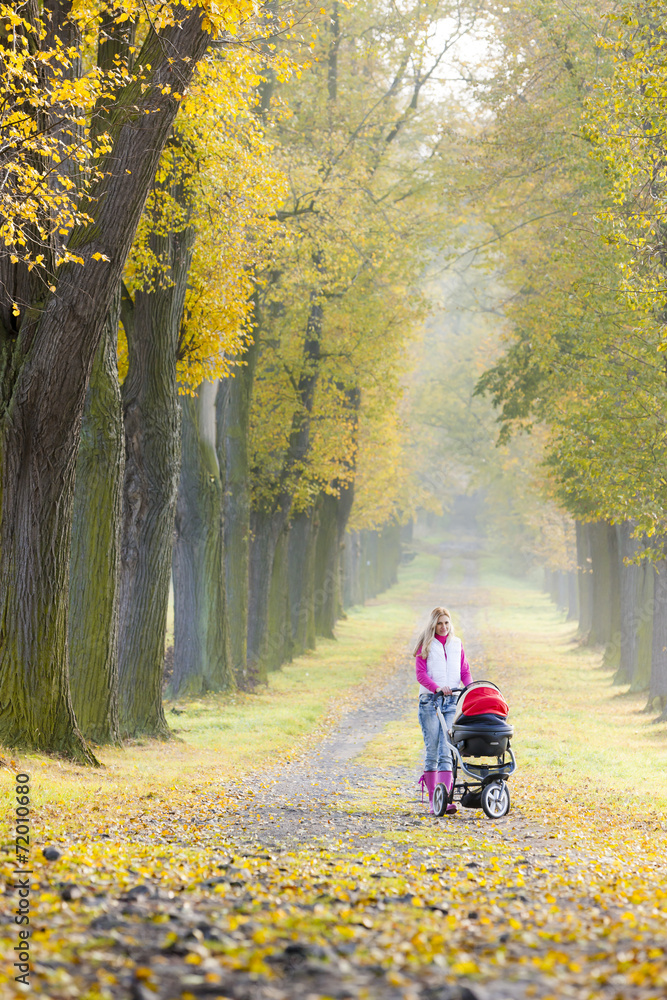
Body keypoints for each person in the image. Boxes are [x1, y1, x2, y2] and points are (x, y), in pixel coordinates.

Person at [414, 606, 473, 815]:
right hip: (430, 701)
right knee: (432, 751)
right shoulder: (426, 645)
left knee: (447, 750)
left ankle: (445, 800)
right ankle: (433, 801)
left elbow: (464, 671)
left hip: (450, 703)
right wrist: (436, 688)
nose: (444, 626)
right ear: (433, 625)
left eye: (447, 622)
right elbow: (420, 675)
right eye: (439, 623)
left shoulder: (457, 644)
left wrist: (471, 689)